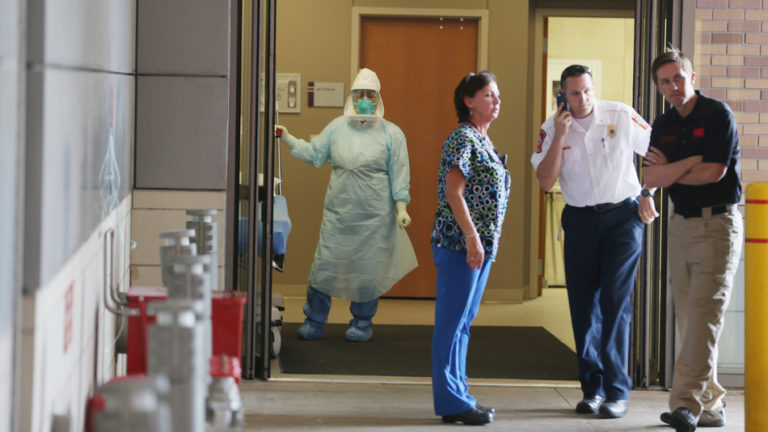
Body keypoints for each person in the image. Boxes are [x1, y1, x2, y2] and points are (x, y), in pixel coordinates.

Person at [531, 65, 656, 419]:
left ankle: (617, 392)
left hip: (623, 218)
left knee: (616, 303)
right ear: (562, 95)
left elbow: (657, 151)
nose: (582, 99)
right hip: (581, 219)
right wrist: (559, 136)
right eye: (574, 93)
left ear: (593, 88)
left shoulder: (619, 113)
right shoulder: (550, 127)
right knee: (584, 305)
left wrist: (649, 191)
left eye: (587, 91)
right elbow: (544, 180)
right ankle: (592, 389)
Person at [276, 68, 417, 342]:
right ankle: (315, 320)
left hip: (374, 219)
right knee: (324, 268)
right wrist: (288, 137)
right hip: (339, 216)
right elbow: (315, 153)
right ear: (352, 97)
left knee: (368, 272)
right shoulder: (337, 127)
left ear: (378, 98)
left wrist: (401, 208)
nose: (365, 99)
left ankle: (362, 323)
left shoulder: (392, 134)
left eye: (370, 94)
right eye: (359, 94)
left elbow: (400, 173)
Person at [643, 47, 742, 432]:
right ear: (658, 86)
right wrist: (686, 164)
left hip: (717, 226)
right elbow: (651, 179)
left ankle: (685, 405)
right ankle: (712, 406)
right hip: (680, 226)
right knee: (690, 319)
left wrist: (672, 170)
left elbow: (714, 172)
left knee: (703, 319)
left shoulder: (718, 115)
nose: (673, 86)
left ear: (692, 77)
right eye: (665, 82)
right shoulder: (662, 124)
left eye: (678, 78)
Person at [430, 72, 509, 426]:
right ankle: (450, 399)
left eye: (497, 95)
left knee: (464, 323)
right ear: (469, 101)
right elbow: (453, 191)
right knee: (451, 323)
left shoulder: (484, 139)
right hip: (460, 245)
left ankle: (459, 395)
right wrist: (472, 238)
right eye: (489, 95)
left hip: (480, 247)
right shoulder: (462, 137)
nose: (496, 101)